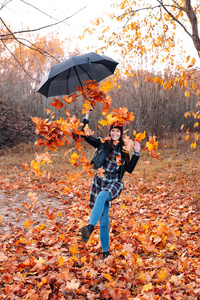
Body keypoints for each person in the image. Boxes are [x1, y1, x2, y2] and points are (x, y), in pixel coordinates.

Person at [80, 108, 141, 260]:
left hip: (114, 182)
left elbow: (129, 169)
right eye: (113, 131)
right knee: (104, 221)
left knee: (102, 196)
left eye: (117, 132)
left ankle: (89, 227)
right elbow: (83, 134)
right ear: (110, 132)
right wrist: (87, 115)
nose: (115, 134)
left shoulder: (124, 149)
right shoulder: (102, 143)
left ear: (121, 134)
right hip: (100, 180)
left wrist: (137, 153)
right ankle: (105, 253)